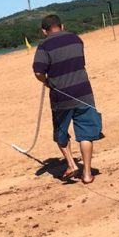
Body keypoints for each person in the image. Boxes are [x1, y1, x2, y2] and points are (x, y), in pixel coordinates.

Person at [32, 14, 103, 184]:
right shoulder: (76, 39)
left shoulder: (44, 45)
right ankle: (86, 174)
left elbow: (38, 72)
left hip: (61, 96)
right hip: (84, 92)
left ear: (44, 31)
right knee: (86, 133)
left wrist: (47, 82)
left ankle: (71, 164)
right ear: (62, 26)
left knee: (60, 133)